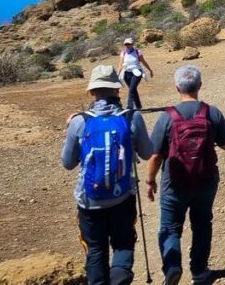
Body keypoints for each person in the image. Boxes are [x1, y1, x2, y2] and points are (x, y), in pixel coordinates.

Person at [61, 65, 153, 285]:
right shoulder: (132, 118)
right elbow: (147, 152)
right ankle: (119, 277)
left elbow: (68, 163)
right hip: (123, 197)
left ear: (92, 92)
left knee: (95, 250)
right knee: (123, 244)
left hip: (89, 201)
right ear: (117, 90)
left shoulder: (79, 121)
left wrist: (72, 129)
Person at [146, 65, 225, 285]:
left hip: (174, 182)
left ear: (177, 87)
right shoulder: (211, 112)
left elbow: (155, 155)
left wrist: (150, 181)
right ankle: (200, 271)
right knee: (202, 224)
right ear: (200, 86)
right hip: (205, 180)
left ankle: (173, 266)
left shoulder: (167, 117)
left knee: (170, 227)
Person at [117, 38, 153, 110]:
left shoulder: (137, 52)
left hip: (137, 72)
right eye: (126, 44)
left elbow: (143, 62)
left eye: (129, 44)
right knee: (132, 89)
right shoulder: (123, 53)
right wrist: (117, 74)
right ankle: (138, 106)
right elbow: (120, 64)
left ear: (132, 44)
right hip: (126, 73)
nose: (127, 45)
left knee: (131, 89)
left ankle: (129, 107)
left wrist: (150, 70)